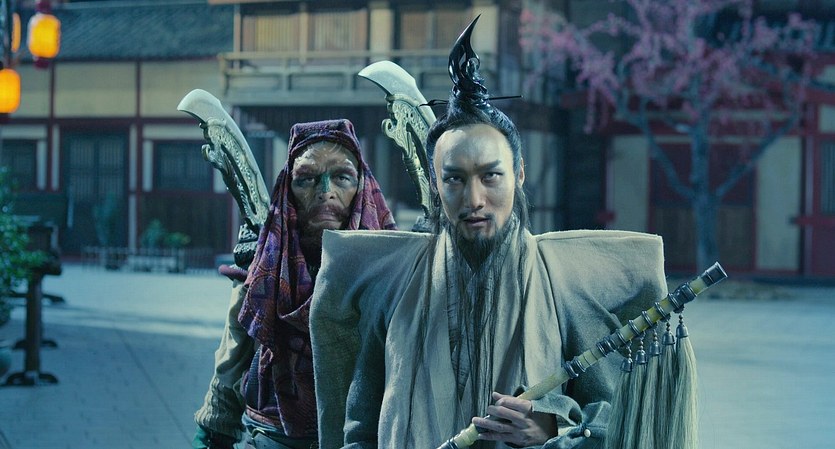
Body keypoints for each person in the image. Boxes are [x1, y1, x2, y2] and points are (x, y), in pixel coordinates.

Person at [308, 18, 668, 449]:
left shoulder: (564, 286)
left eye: (490, 176)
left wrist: (549, 428)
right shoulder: (396, 282)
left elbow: (616, 419)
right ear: (435, 184)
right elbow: (361, 426)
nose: (474, 199)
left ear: (519, 174)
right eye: (455, 179)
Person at [192, 119, 396, 449]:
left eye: (341, 177)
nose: (325, 191)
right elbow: (232, 358)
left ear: (361, 187)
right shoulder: (263, 265)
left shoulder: (387, 266)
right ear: (289, 190)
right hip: (273, 433)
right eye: (307, 179)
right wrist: (213, 432)